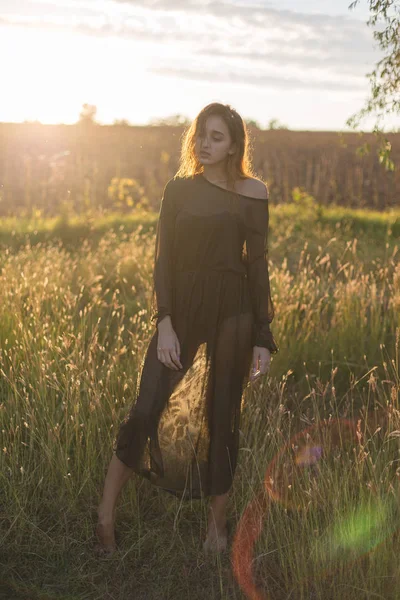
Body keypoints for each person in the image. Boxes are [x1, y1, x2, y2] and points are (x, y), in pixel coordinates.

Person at [95, 102, 279, 556]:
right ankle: (103, 518)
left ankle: (217, 530)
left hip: (233, 311)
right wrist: (165, 322)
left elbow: (257, 267)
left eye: (217, 137)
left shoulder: (254, 192)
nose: (205, 144)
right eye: (201, 135)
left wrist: (263, 337)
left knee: (222, 419)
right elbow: (164, 261)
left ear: (235, 144)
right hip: (182, 310)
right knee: (146, 407)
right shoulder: (178, 190)